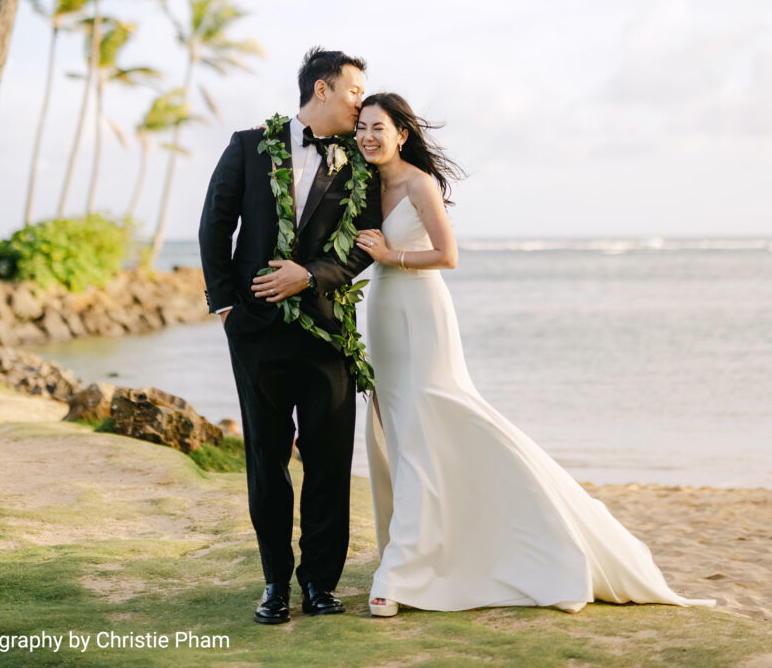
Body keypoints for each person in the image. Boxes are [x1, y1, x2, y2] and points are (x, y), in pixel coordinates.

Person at [354, 92, 715, 617]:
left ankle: (402, 572)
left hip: (422, 309)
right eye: (361, 126)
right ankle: (417, 552)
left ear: (401, 134)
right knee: (404, 432)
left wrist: (391, 255)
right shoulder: (363, 186)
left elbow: (448, 255)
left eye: (378, 127)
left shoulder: (419, 184)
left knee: (437, 418)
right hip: (383, 313)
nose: (367, 135)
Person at [198, 47, 382, 625]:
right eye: (354, 92)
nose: (361, 103)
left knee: (329, 463)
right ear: (322, 90)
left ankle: (320, 585)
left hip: (328, 335)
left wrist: (312, 274)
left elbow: (364, 243)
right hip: (257, 336)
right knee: (267, 461)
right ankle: (275, 582)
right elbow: (214, 226)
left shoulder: (361, 162)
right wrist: (226, 308)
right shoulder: (248, 147)